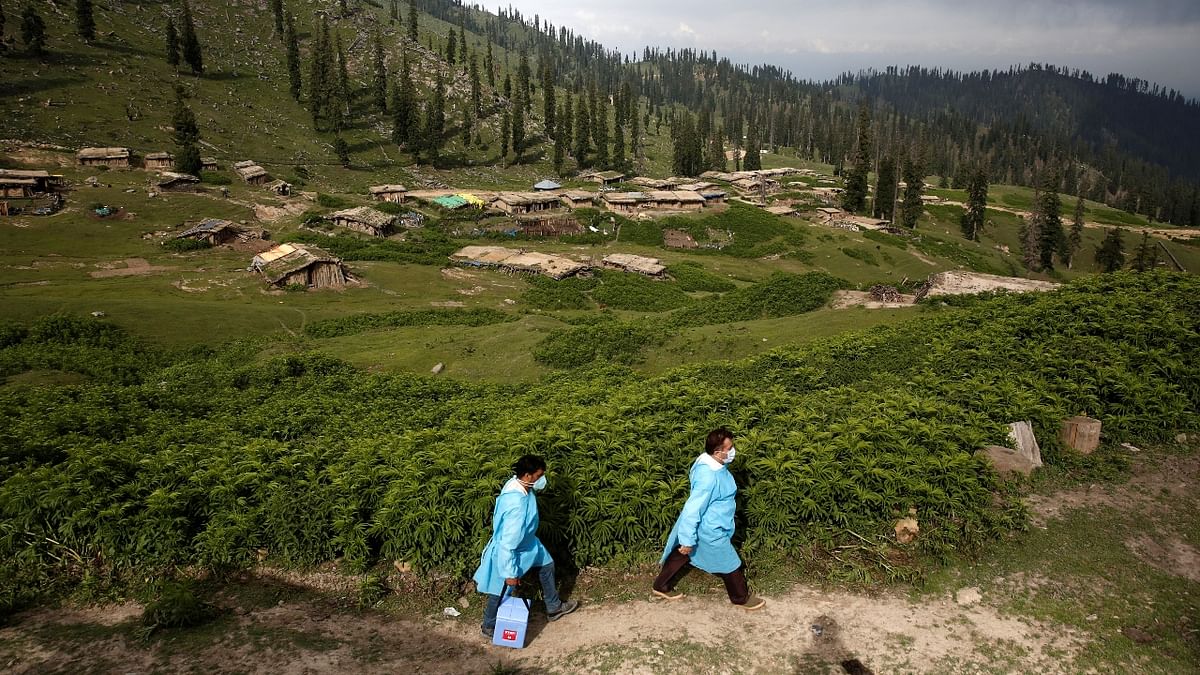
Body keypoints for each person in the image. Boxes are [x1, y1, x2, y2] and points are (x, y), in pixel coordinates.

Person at [652, 428, 765, 610]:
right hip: (711, 529)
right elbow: (692, 509)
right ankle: (740, 597)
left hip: (709, 523)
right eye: (729, 448)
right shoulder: (708, 478)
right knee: (729, 562)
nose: (732, 451)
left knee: (683, 553)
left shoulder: (709, 463)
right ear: (717, 452)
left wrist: (687, 542)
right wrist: (688, 537)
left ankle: (660, 585)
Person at [473, 454, 580, 639]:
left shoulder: (517, 484)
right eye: (539, 476)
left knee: (547, 564)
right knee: (501, 588)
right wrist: (510, 573)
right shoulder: (517, 507)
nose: (541, 479)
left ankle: (553, 608)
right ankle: (488, 626)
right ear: (528, 476)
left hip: (529, 543)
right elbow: (508, 544)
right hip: (513, 550)